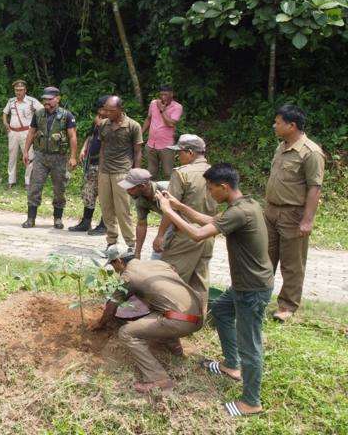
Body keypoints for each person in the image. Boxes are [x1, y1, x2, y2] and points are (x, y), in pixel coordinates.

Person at [157, 163, 272, 418]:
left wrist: (166, 211)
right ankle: (231, 366)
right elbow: (210, 221)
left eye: (211, 189)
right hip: (244, 285)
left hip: (251, 290)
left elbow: (199, 234)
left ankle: (251, 402)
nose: (209, 194)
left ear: (224, 187)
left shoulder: (239, 212)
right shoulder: (245, 205)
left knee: (250, 345)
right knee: (220, 311)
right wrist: (178, 206)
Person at [90, 248, 204, 393]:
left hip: (179, 321)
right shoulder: (157, 263)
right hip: (197, 315)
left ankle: (158, 379)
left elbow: (112, 305)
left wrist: (100, 324)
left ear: (118, 261)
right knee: (162, 311)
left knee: (126, 333)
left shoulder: (128, 276)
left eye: (113, 266)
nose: (115, 270)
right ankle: (176, 351)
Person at [265, 104, 324, 322]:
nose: (275, 125)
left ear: (292, 125)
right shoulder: (281, 147)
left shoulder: (311, 152)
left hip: (293, 215)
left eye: (278, 122)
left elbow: (314, 188)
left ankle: (287, 306)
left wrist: (307, 220)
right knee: (265, 258)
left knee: (292, 263)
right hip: (270, 211)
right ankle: (258, 297)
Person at [155, 134, 217, 302]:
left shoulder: (182, 173)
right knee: (200, 280)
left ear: (190, 153)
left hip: (185, 235)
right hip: (209, 233)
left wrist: (160, 235)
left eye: (180, 152)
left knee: (169, 277)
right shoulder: (216, 172)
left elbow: (169, 208)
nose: (177, 156)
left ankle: (169, 319)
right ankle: (198, 318)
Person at [22, 87, 77, 229]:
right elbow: (31, 133)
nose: (46, 102)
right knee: (35, 186)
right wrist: (26, 152)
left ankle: (58, 219)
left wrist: (73, 157)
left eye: (49, 99)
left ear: (57, 99)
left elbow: (72, 136)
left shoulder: (67, 116)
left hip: (59, 157)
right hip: (40, 156)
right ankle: (30, 218)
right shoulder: (39, 114)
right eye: (44, 99)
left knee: (59, 189)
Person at [96, 95, 143, 250]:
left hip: (123, 172)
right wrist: (100, 169)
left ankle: (131, 244)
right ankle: (111, 243)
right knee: (106, 209)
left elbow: (137, 152)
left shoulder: (133, 126)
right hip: (105, 172)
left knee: (123, 211)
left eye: (111, 110)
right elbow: (102, 147)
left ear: (120, 109)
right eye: (106, 110)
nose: (107, 113)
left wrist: (135, 174)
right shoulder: (103, 124)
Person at [70, 95, 109, 234]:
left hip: (106, 165)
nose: (100, 112)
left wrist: (101, 124)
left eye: (102, 109)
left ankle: (105, 225)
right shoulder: (98, 119)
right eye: (99, 109)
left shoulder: (114, 121)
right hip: (92, 162)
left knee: (105, 195)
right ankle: (86, 222)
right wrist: (83, 148)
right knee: (88, 192)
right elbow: (90, 135)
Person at [116, 168, 168, 259]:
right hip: (172, 219)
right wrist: (137, 253)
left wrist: (160, 236)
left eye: (130, 188)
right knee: (158, 253)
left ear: (143, 186)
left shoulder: (165, 190)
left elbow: (171, 215)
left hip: (187, 216)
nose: (127, 191)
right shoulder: (140, 198)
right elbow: (141, 225)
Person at [2, 80, 41, 188]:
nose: (18, 92)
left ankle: (28, 181)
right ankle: (11, 180)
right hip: (13, 132)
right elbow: (5, 113)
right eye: (16, 90)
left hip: (26, 132)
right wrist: (6, 123)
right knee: (12, 156)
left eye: (20, 90)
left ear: (25, 90)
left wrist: (38, 129)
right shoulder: (11, 102)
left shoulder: (31, 101)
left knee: (28, 155)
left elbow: (42, 111)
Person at [142, 85, 182, 181]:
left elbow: (170, 124)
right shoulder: (153, 103)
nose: (163, 97)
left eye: (166, 94)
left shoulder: (177, 107)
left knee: (168, 173)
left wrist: (162, 110)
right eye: (161, 94)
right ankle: (152, 194)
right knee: (151, 173)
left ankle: (170, 194)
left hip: (166, 145)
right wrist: (141, 134)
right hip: (151, 144)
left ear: (171, 94)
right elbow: (149, 119)